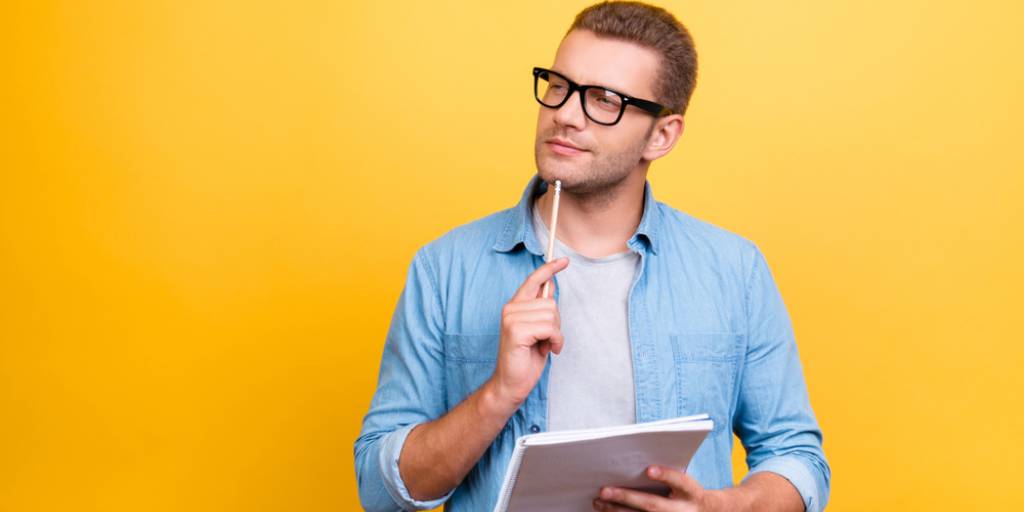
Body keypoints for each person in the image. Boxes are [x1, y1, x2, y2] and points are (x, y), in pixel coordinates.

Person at [355, 2, 830, 510]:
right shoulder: (445, 269)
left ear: (662, 135)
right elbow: (380, 491)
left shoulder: (734, 271)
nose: (565, 114)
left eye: (604, 100)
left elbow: (797, 458)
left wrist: (723, 507)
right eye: (559, 86)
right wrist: (498, 395)